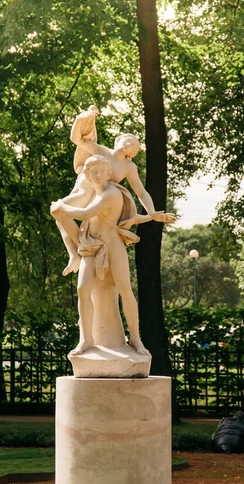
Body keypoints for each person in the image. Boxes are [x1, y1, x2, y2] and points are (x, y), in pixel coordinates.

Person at [50, 155, 156, 356]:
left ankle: (135, 338)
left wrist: (61, 206)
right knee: (82, 289)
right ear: (87, 176)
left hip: (112, 245)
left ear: (109, 173)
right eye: (94, 172)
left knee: (125, 289)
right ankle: (86, 339)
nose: (99, 175)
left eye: (102, 171)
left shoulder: (111, 193)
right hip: (91, 245)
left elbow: (85, 214)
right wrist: (61, 213)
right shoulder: (92, 193)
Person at [54, 106, 175, 276]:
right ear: (117, 142)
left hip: (91, 195)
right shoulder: (102, 150)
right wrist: (82, 118)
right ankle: (76, 253)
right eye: (127, 139)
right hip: (82, 187)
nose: (128, 143)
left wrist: (152, 212)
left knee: (59, 212)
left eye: (133, 144)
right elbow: (76, 139)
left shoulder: (128, 167)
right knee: (58, 215)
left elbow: (141, 192)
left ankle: (78, 251)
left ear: (132, 154)